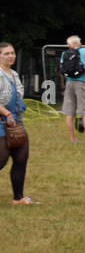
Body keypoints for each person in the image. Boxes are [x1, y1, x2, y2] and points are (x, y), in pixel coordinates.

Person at [0, 42, 34, 205]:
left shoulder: (13, 73)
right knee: (1, 160)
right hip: (1, 123)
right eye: (6, 53)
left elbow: (17, 97)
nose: (10, 56)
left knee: (21, 158)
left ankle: (18, 198)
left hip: (16, 123)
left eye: (12, 53)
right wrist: (6, 112)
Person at [61, 35, 85, 144]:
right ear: (79, 43)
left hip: (69, 83)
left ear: (70, 45)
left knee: (69, 113)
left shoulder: (64, 54)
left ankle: (73, 139)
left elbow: (62, 69)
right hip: (82, 83)